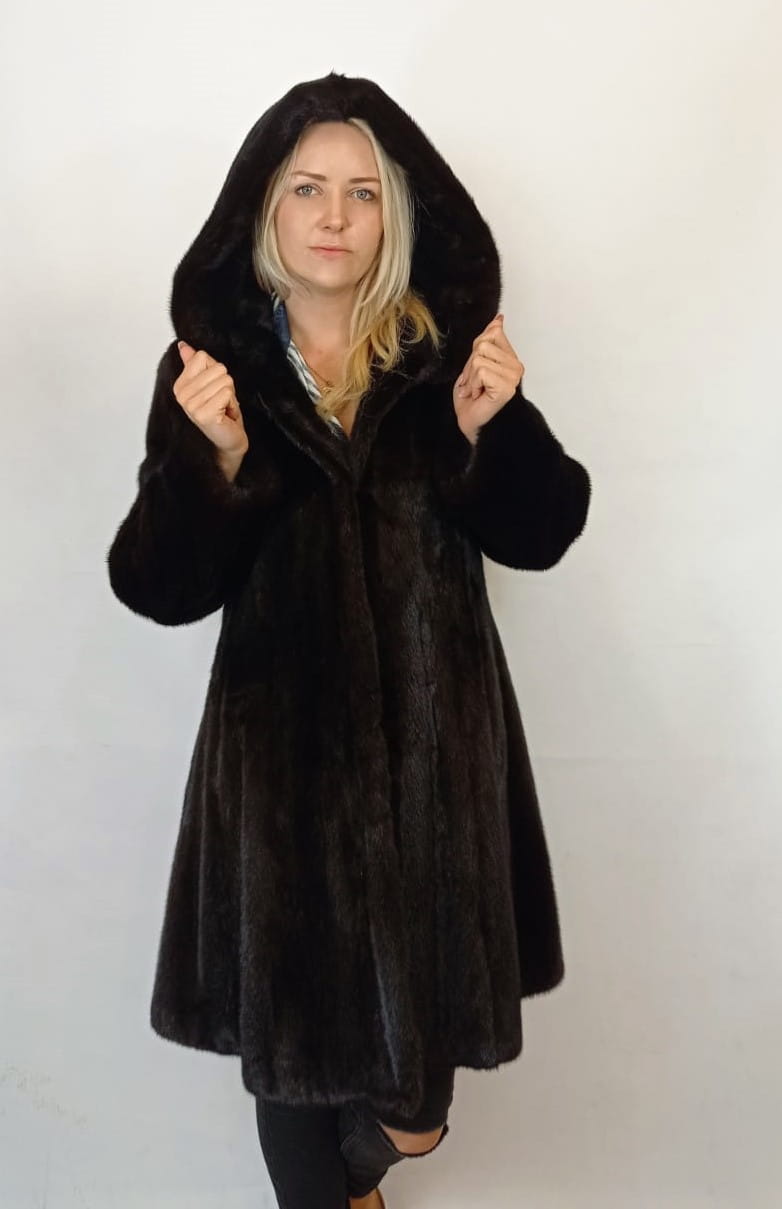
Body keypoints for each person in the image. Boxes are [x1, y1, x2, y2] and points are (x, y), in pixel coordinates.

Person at [106, 71, 592, 1209]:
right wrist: (218, 462)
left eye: (362, 193)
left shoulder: (446, 359)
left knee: (416, 1111)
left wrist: (490, 432)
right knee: (293, 1058)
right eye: (307, 188)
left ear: (395, 213)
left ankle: (363, 1177)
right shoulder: (210, 374)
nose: (334, 216)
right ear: (265, 207)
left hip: (436, 770)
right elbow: (156, 586)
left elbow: (543, 533)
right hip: (280, 776)